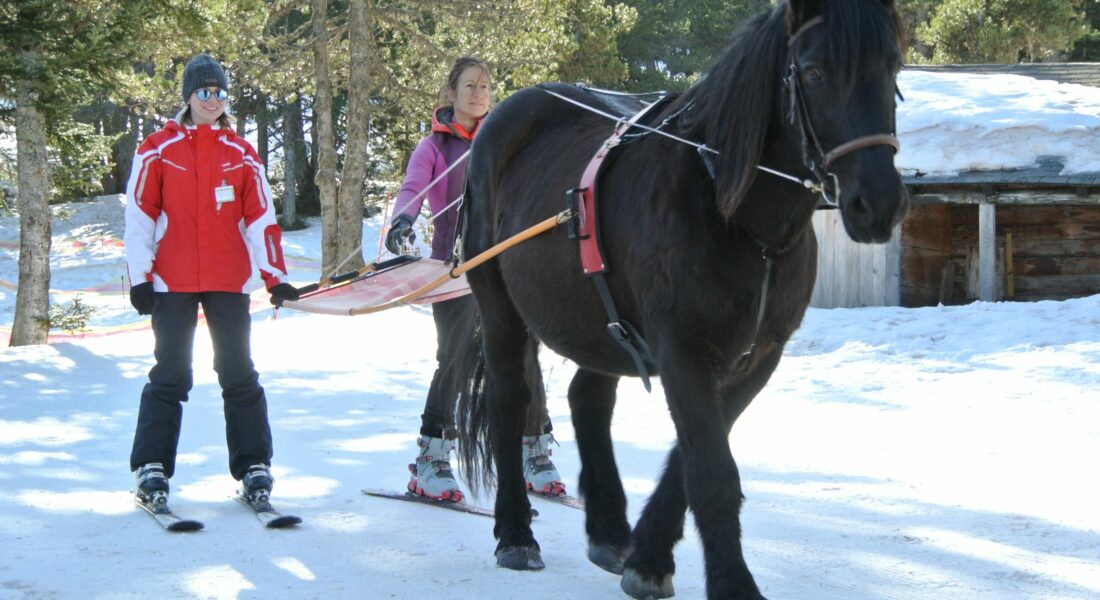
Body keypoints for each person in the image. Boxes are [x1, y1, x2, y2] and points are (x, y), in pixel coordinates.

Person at [125, 53, 300, 511]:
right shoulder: (157, 148)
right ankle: (152, 466)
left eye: (220, 92)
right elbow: (139, 218)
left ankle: (254, 466)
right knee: (171, 374)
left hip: (227, 278)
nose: (212, 100)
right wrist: (140, 277)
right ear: (188, 95)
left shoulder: (240, 153)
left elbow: (261, 218)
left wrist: (274, 276)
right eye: (204, 91)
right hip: (172, 280)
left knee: (237, 372)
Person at [386, 56, 565, 502]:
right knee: (456, 357)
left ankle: (534, 453)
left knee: (525, 355)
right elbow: (413, 189)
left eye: (486, 86)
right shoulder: (435, 149)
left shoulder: (508, 142)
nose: (479, 93)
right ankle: (431, 460)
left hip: (507, 267)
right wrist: (401, 222)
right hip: (455, 269)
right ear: (451, 93)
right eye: (470, 85)